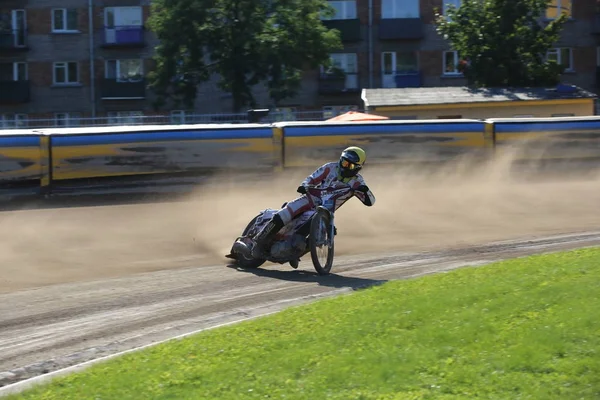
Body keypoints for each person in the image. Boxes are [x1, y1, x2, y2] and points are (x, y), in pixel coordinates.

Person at [243, 146, 376, 261]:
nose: (344, 166)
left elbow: (370, 201)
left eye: (349, 165)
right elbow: (312, 178)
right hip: (310, 198)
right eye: (343, 162)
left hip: (325, 210)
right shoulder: (330, 167)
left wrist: (365, 191)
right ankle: (257, 243)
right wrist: (304, 185)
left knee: (328, 230)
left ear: (357, 168)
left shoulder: (358, 182)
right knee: (285, 213)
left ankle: (294, 251)